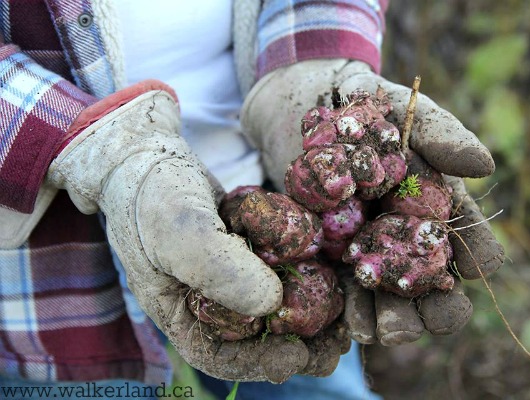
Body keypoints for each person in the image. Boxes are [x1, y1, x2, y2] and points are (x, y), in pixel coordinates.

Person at [0, 1, 503, 399]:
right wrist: (97, 149)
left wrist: (313, 60)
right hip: (46, 270)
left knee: (310, 375)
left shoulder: (322, 211)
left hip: (275, 208)